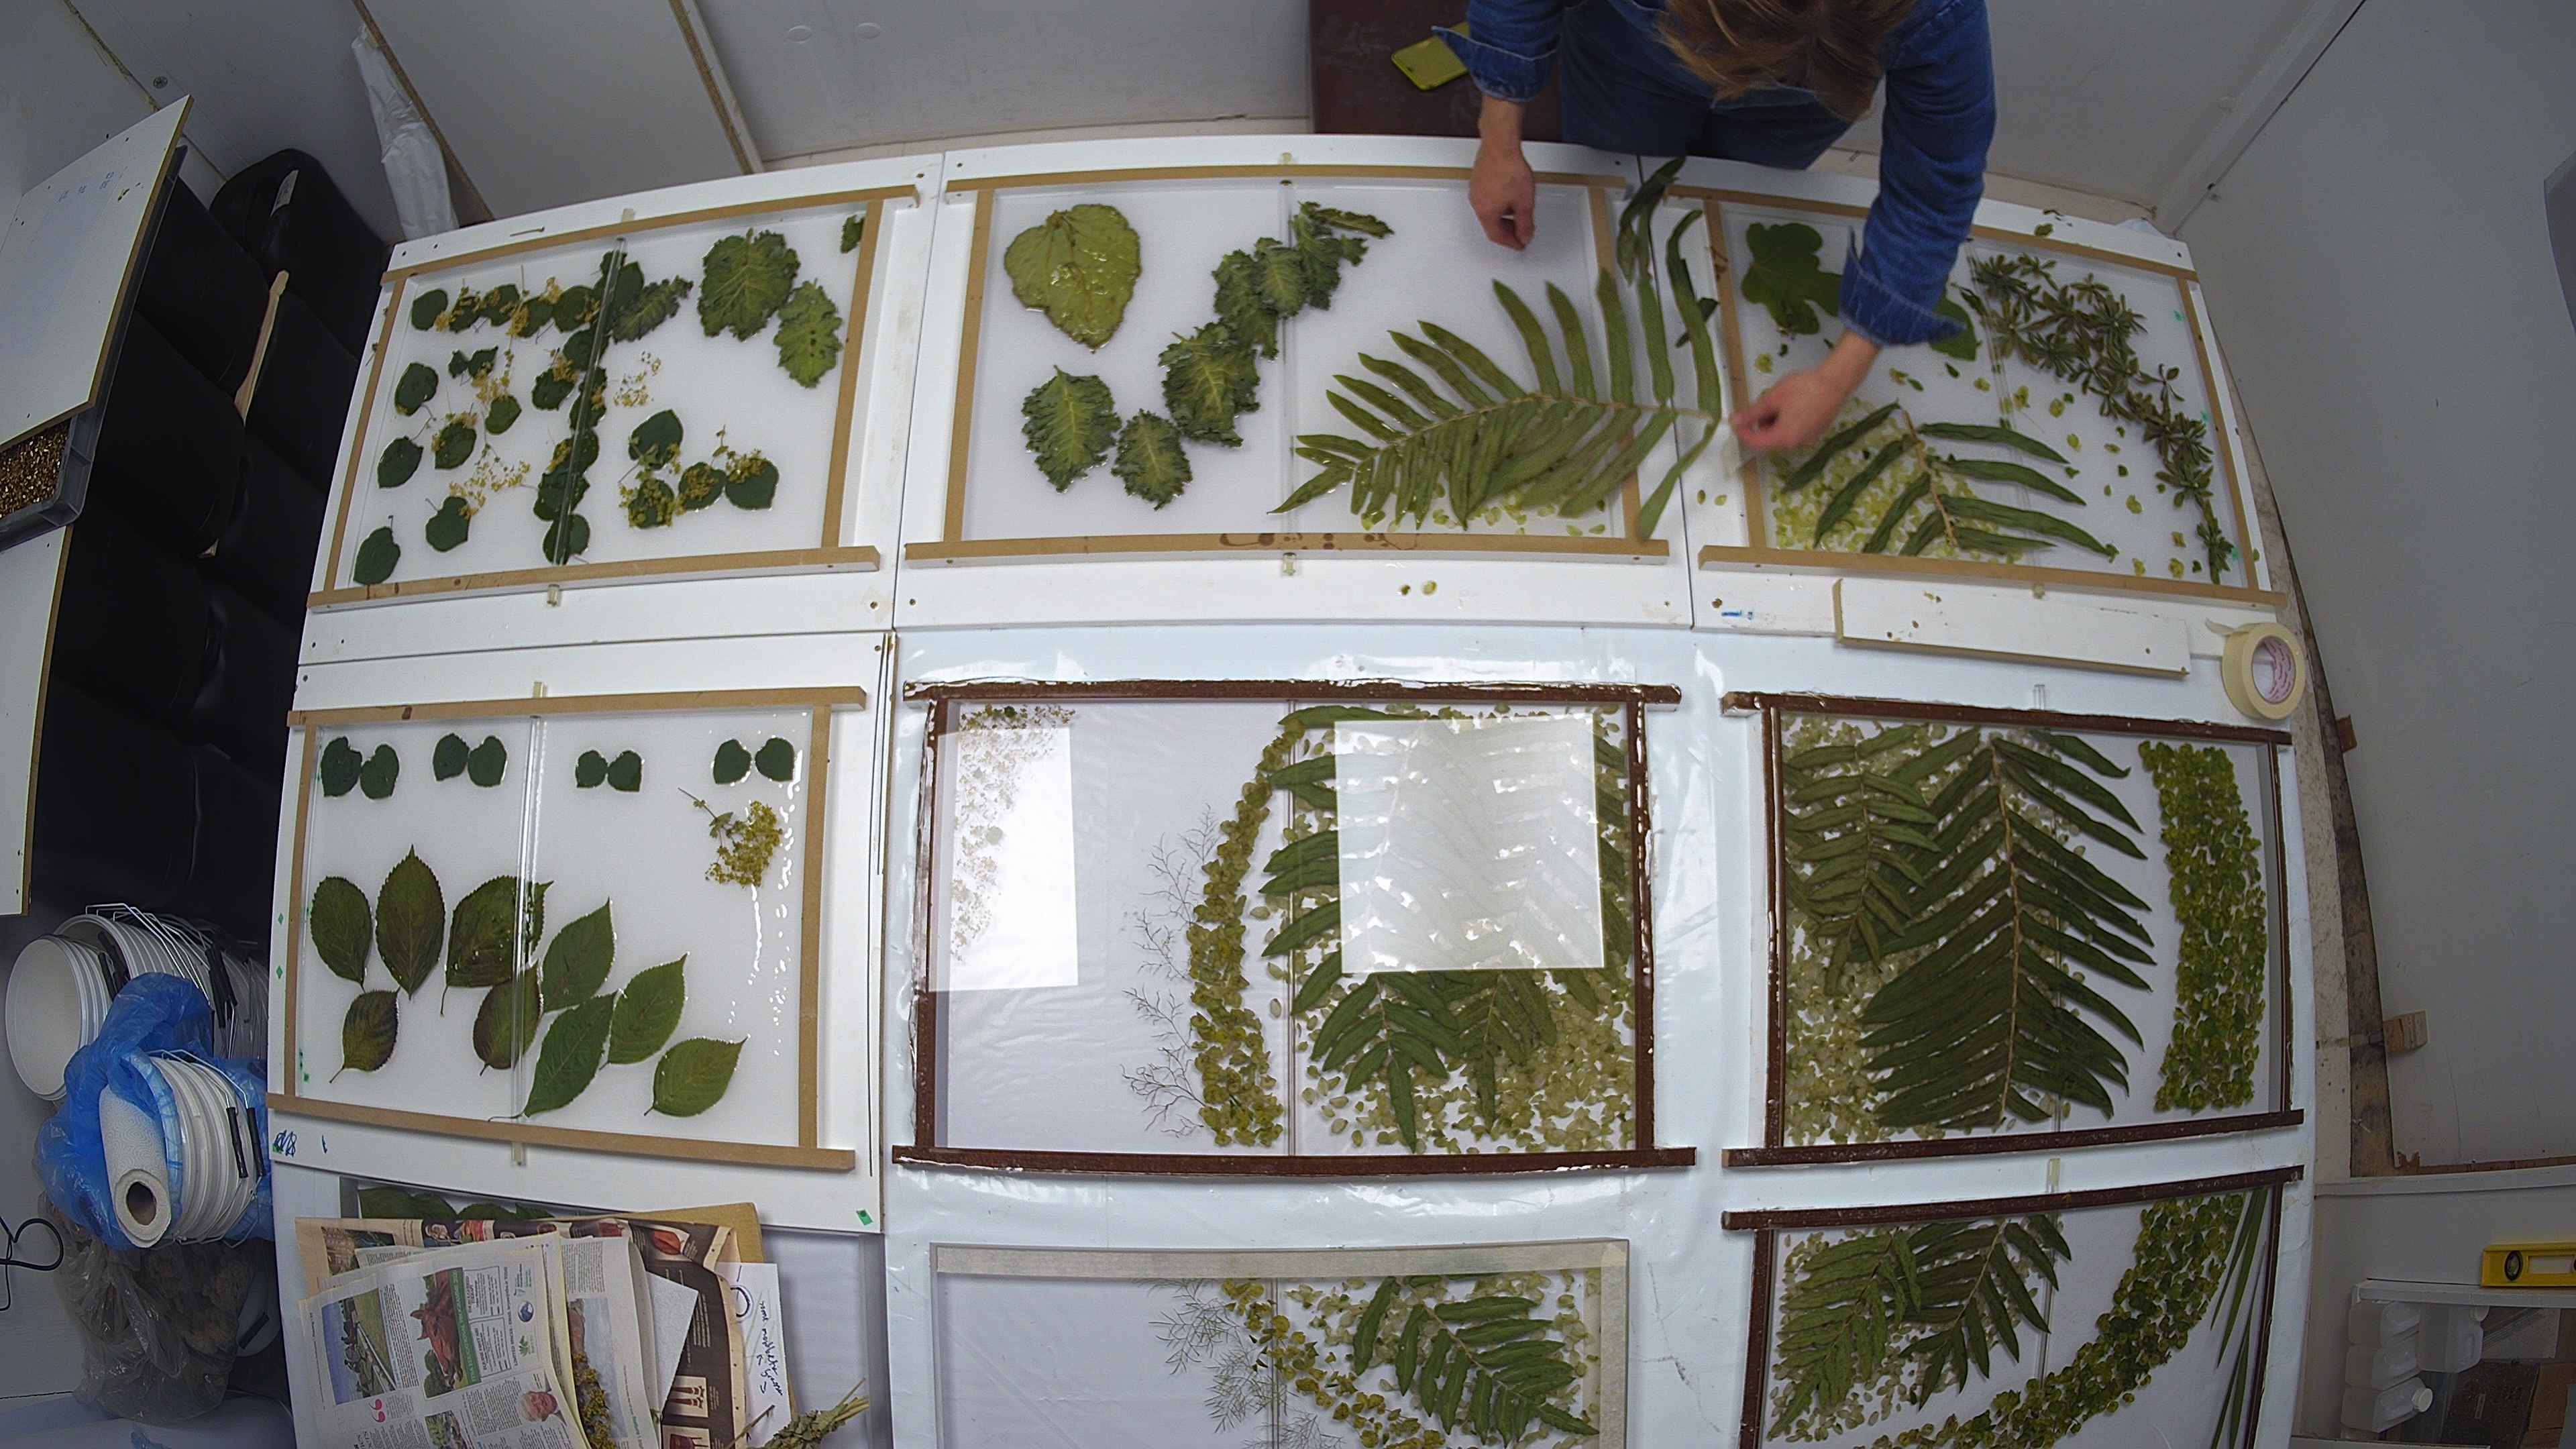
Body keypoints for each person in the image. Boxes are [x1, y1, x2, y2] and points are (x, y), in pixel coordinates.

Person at [1442, 0, 1995, 451]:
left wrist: (1838, 377)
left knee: (1738, 204)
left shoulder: (1940, 11)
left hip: (1796, 111)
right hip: (1630, 61)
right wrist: (1499, 136)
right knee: (1619, 182)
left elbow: (1933, 189)